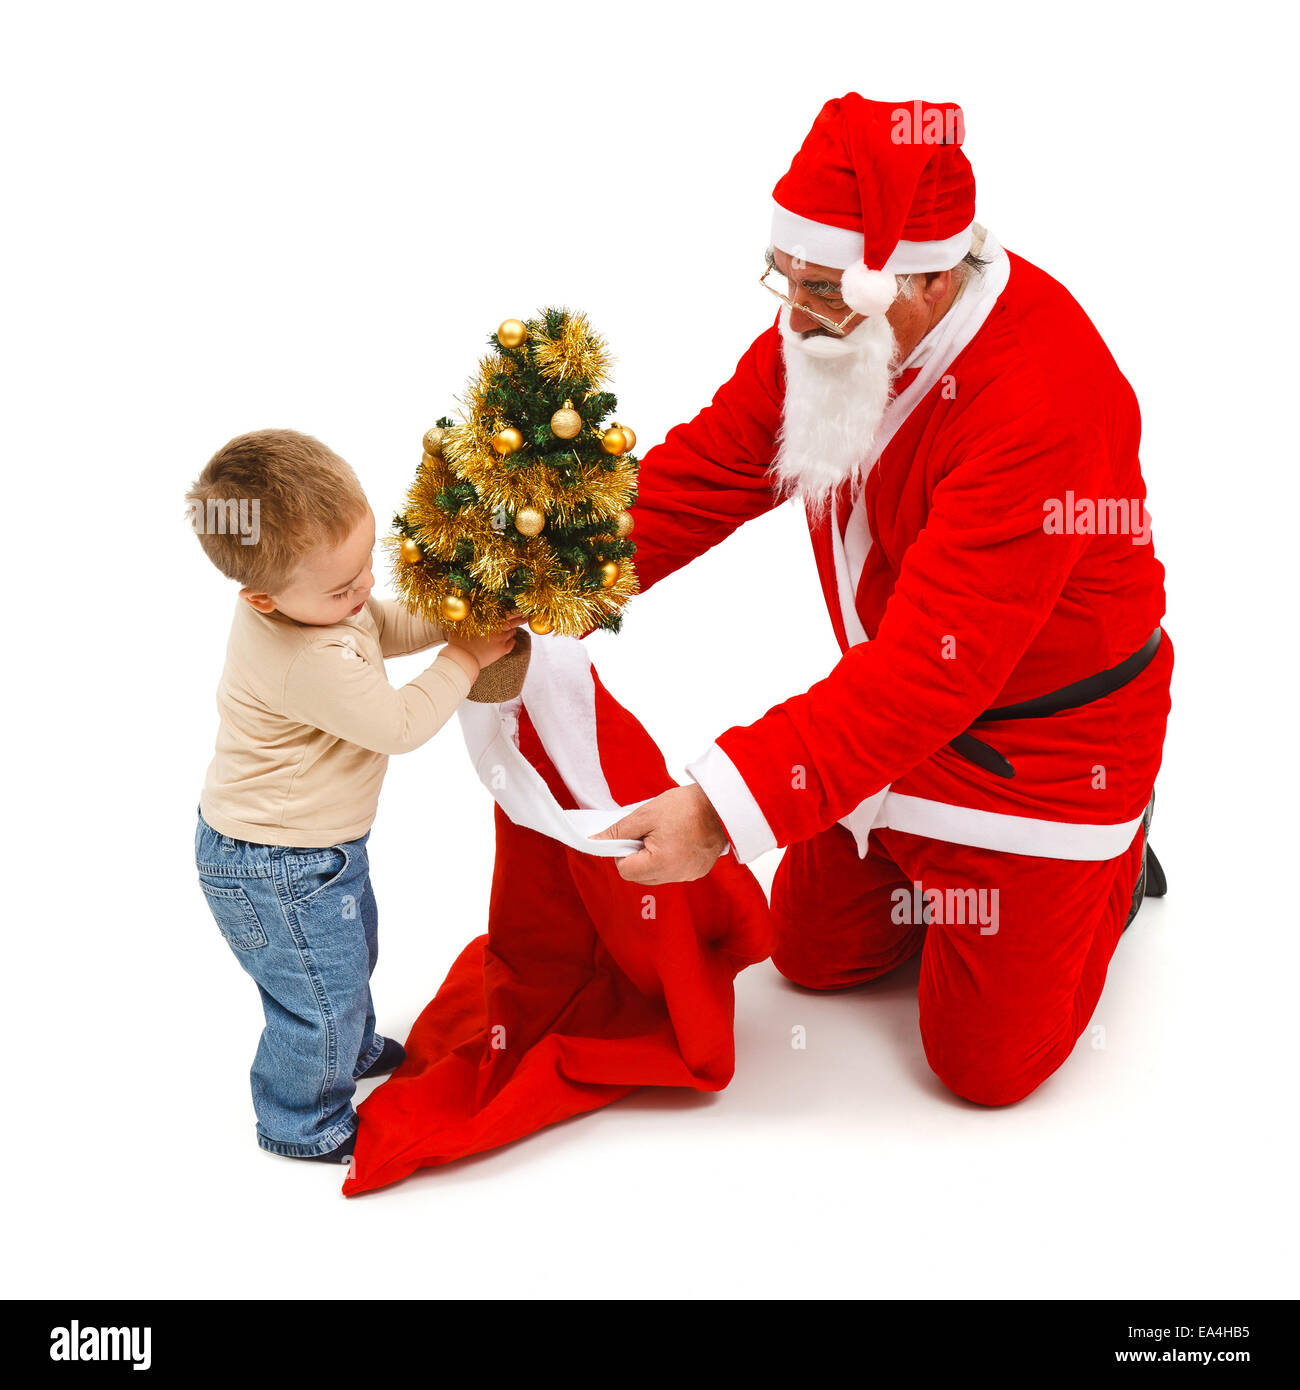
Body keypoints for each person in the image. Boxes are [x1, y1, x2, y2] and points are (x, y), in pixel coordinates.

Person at [594, 94, 1172, 1106]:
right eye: (787, 279)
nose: (792, 311)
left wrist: (725, 811)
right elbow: (714, 468)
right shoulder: (828, 329)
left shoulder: (1042, 395)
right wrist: (552, 576)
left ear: (928, 275)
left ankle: (1109, 867)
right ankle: (942, 881)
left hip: (1039, 755)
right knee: (809, 954)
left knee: (981, 1070)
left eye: (818, 288)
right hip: (903, 717)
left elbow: (923, 670)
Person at [186, 428, 522, 1161]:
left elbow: (381, 625)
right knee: (316, 996)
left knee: (347, 955)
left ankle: (351, 1045)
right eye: (344, 587)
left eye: (366, 568)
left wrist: (453, 619)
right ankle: (299, 1120)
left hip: (316, 853)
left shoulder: (322, 607)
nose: (364, 591)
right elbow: (398, 724)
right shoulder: (307, 657)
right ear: (263, 598)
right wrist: (463, 658)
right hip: (274, 865)